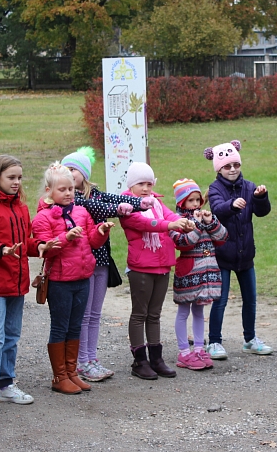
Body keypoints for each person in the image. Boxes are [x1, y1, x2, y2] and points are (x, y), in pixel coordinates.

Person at [0, 155, 59, 419]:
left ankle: (6, 385)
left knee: (11, 337)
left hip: (17, 285)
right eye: (11, 178)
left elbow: (24, 240)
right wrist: (1, 250)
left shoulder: (21, 208)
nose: (17, 182)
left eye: (19, 177)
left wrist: (39, 246)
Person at [58, 147, 154, 382]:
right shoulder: (73, 199)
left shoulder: (96, 192)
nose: (70, 174)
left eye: (73, 170)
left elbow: (113, 198)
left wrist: (136, 202)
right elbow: (99, 208)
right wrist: (119, 210)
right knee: (84, 314)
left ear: (84, 173)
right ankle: (81, 362)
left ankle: (92, 359)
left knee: (95, 313)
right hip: (82, 261)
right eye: (66, 170)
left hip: (101, 260)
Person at [32, 163, 113, 394]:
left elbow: (92, 242)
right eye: (62, 189)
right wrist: (66, 237)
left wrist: (101, 231)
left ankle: (72, 372)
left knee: (76, 326)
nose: (68, 193)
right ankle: (59, 376)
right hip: (59, 281)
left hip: (82, 278)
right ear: (49, 191)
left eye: (71, 189)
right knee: (61, 327)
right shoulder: (42, 218)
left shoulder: (81, 212)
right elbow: (46, 250)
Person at [119, 162, 194, 380]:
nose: (145, 188)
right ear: (131, 186)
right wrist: (169, 225)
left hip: (162, 264)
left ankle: (156, 358)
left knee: (155, 314)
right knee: (140, 313)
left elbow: (170, 216)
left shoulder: (156, 203)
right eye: (140, 184)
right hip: (141, 267)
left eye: (149, 183)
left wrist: (183, 222)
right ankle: (139, 360)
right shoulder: (126, 206)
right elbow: (144, 223)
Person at [204, 140, 272, 360]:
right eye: (227, 166)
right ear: (219, 168)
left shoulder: (249, 186)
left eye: (235, 164)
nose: (232, 169)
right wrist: (231, 206)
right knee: (220, 300)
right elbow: (216, 210)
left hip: (245, 254)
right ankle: (214, 341)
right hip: (222, 254)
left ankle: (250, 339)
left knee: (250, 299)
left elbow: (262, 212)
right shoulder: (215, 188)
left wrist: (261, 197)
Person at [169, 178, 228, 370]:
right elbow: (184, 242)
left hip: (205, 275)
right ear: (181, 203)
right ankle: (184, 351)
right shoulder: (178, 221)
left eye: (197, 200)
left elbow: (222, 237)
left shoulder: (204, 218)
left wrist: (211, 222)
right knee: (184, 311)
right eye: (190, 200)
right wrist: (197, 224)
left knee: (199, 312)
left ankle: (199, 349)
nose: (195, 204)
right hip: (188, 276)